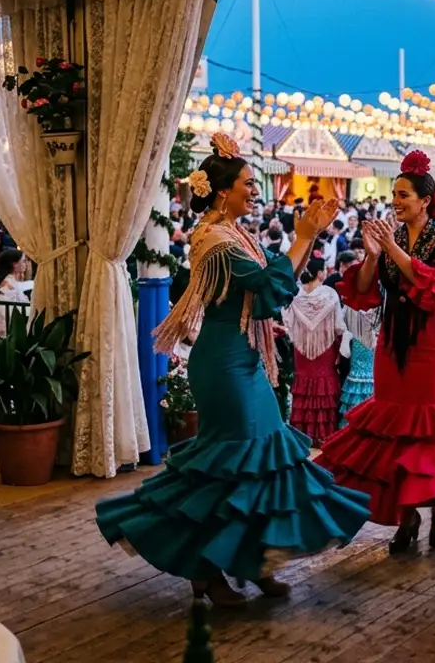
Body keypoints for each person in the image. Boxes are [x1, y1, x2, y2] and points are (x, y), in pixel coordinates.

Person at [94, 133, 370, 608]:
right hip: (224, 366)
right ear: (223, 191)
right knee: (230, 469)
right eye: (248, 182)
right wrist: (303, 235)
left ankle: (251, 560)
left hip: (242, 358)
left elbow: (265, 291)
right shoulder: (216, 239)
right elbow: (267, 285)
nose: (255, 189)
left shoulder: (232, 233)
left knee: (261, 463)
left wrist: (309, 236)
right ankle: (207, 569)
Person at [317, 150, 435, 554]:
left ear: (424, 201)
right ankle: (408, 517)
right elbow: (365, 291)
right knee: (396, 432)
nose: (396, 201)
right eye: (394, 194)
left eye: (403, 195)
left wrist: (393, 250)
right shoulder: (392, 237)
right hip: (392, 342)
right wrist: (372, 253)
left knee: (431, 430)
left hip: (431, 346)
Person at [282, 257, 344, 446]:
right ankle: (323, 434)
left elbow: (288, 324)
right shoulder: (330, 294)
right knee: (324, 386)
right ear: (319, 273)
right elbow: (338, 326)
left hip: (302, 347)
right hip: (325, 347)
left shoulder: (296, 296)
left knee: (304, 386)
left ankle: (302, 432)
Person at [338, 305, 376, 420]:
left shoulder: (379, 302)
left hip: (371, 347)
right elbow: (341, 323)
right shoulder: (351, 304)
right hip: (360, 345)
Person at [0, 250, 30, 338]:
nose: (26, 264)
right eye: (23, 261)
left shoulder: (13, 282)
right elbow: (5, 309)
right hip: (10, 328)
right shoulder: (8, 284)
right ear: (15, 264)